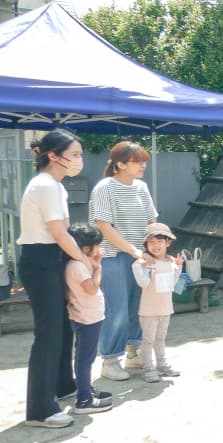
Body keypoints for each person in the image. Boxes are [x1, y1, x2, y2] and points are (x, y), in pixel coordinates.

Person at [18, 129, 84, 428]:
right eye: (74, 155)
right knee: (49, 333)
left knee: (62, 328)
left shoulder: (54, 185)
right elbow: (59, 233)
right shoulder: (46, 185)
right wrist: (85, 261)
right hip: (41, 259)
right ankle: (39, 409)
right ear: (53, 156)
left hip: (51, 259)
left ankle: (63, 386)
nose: (78, 161)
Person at [89, 141, 157, 379]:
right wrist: (133, 251)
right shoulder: (104, 188)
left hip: (141, 258)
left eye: (143, 161)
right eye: (137, 161)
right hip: (113, 257)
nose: (143, 165)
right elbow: (104, 227)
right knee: (115, 309)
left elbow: (151, 221)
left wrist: (157, 247)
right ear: (120, 164)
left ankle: (133, 353)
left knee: (138, 306)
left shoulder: (141, 187)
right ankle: (109, 360)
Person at [64, 225, 113, 415]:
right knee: (86, 359)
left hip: (86, 317)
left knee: (84, 356)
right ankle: (84, 399)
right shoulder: (76, 266)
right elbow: (91, 288)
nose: (99, 250)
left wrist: (93, 263)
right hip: (87, 318)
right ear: (86, 248)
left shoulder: (78, 263)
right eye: (96, 246)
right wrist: (98, 268)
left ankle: (86, 389)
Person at [131, 223, 183, 383]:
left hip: (165, 309)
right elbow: (144, 284)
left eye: (159, 242)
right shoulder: (146, 263)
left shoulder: (172, 262)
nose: (155, 246)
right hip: (148, 311)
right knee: (148, 340)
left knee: (161, 338)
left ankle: (162, 364)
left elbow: (174, 283)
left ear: (168, 242)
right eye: (151, 242)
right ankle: (148, 369)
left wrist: (179, 267)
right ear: (146, 245)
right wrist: (137, 266)